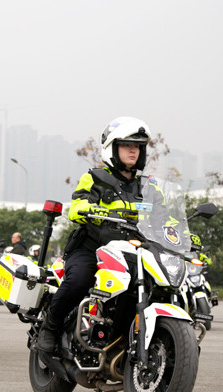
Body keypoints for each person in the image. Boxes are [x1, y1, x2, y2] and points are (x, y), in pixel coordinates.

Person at [38, 116, 153, 352]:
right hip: (92, 248)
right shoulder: (95, 178)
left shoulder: (149, 187)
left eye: (138, 146)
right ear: (112, 148)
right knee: (79, 280)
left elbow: (166, 218)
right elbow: (77, 206)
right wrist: (93, 209)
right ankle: (50, 326)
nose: (133, 151)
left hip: (133, 252)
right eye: (127, 145)